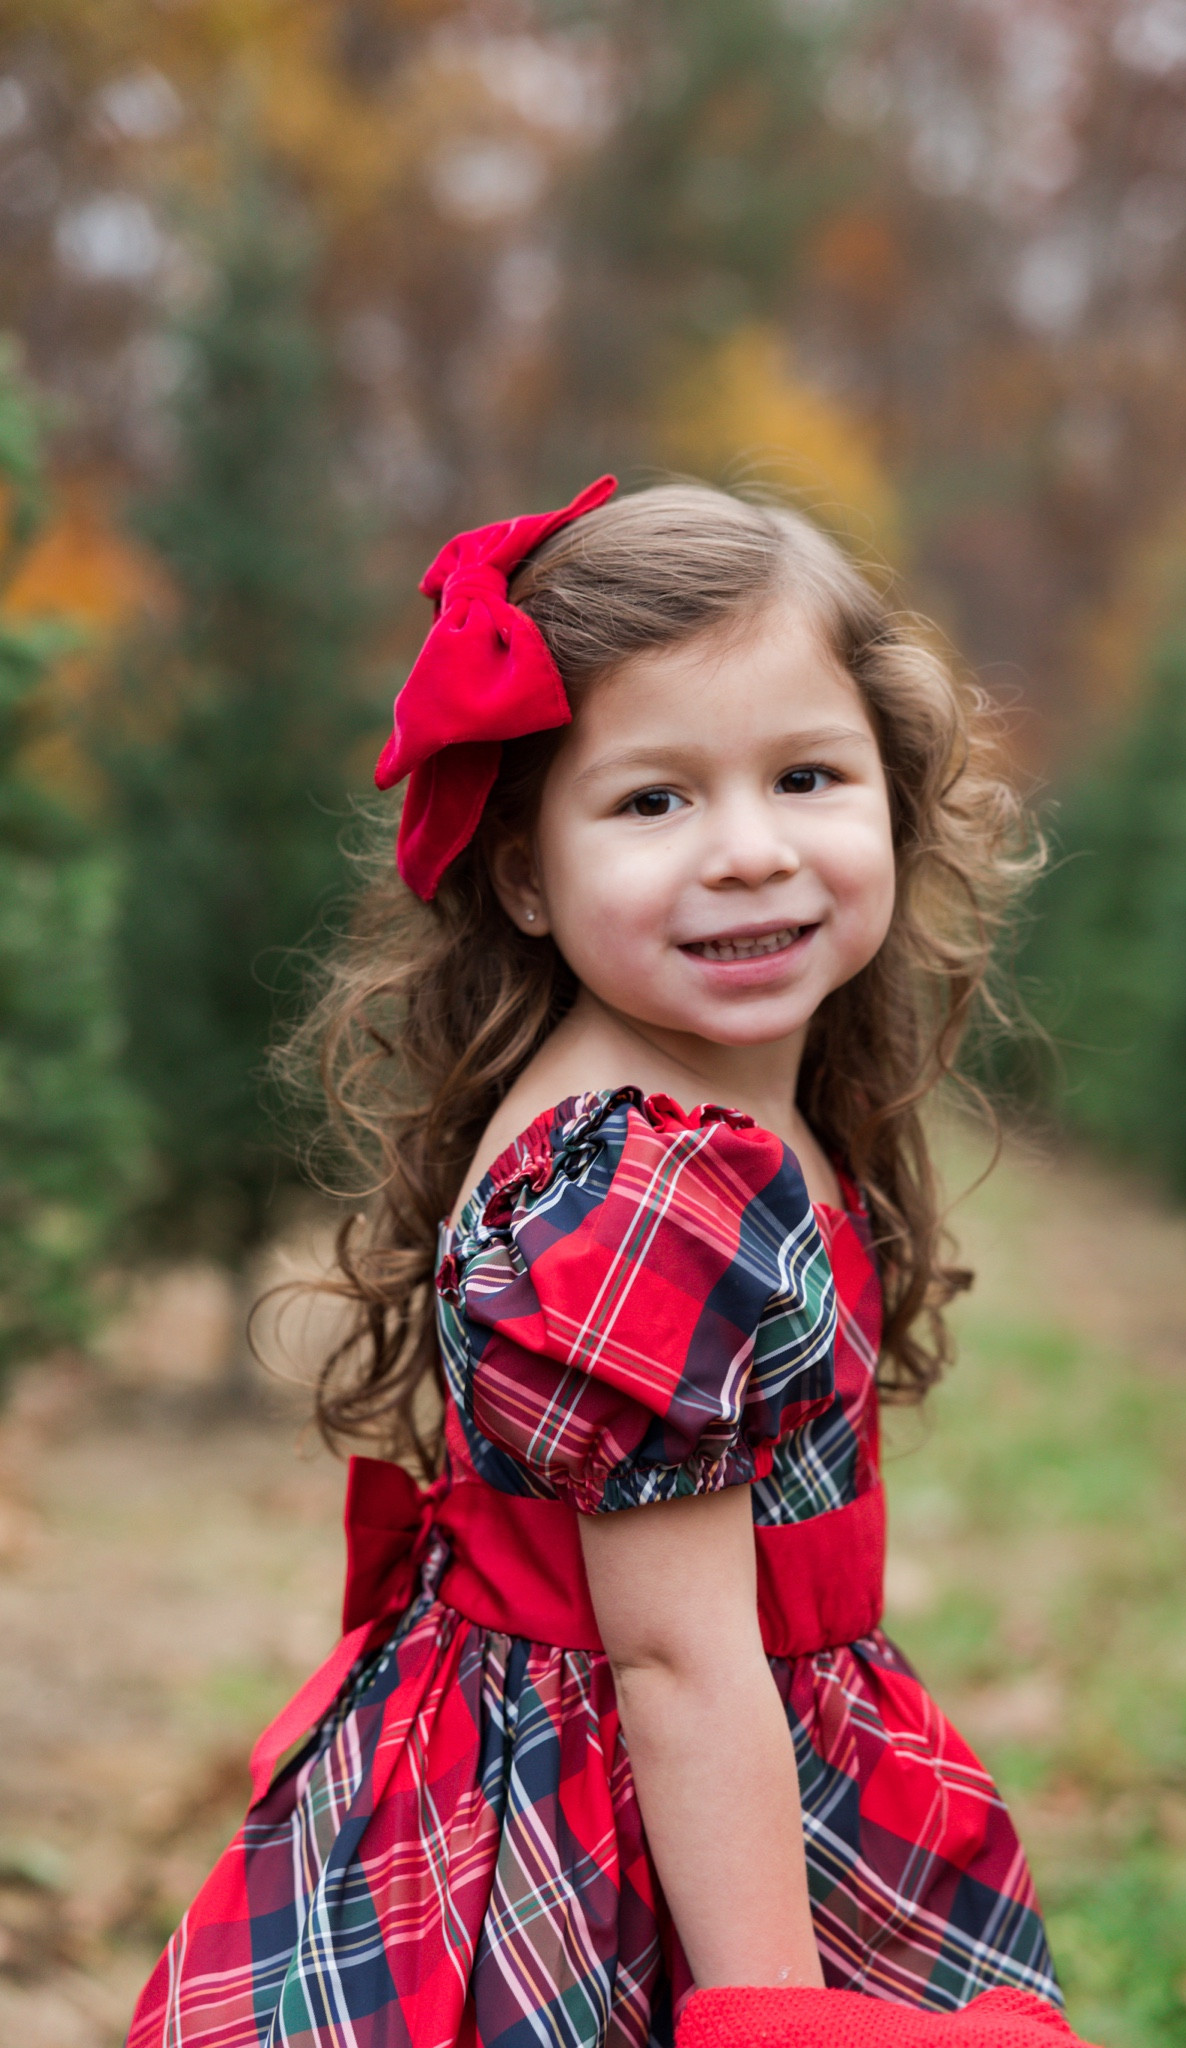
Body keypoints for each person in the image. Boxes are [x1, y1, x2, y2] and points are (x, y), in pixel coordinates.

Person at [127, 476, 1067, 2048]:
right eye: (653, 800)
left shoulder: (708, 1113)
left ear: (893, 799)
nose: (751, 850)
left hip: (678, 1758)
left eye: (806, 775)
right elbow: (678, 1657)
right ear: (517, 871)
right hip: (627, 1821)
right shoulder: (643, 1190)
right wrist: (773, 2015)